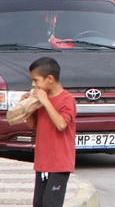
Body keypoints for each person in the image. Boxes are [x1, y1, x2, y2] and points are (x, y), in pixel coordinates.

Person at [23, 57, 76, 207]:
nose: (33, 85)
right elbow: (32, 124)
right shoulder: (41, 100)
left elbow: (61, 125)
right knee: (38, 203)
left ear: (50, 79)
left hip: (59, 163)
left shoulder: (67, 99)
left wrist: (45, 102)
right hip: (43, 162)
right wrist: (27, 107)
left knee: (51, 203)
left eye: (36, 80)